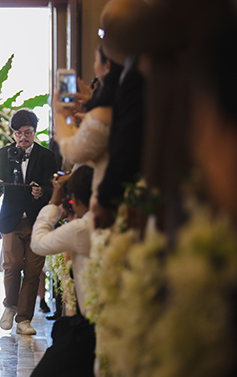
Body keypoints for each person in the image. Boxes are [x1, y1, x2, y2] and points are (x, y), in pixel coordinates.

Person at [0, 108, 57, 335]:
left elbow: (54, 188)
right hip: (11, 220)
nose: (23, 138)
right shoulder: (3, 154)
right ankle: (10, 306)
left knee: (33, 270)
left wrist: (42, 192)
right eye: (18, 133)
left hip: (38, 221)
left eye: (27, 133)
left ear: (35, 131)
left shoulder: (47, 156)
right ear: (13, 133)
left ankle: (24, 319)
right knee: (12, 266)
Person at [28, 166, 96, 377]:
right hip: (99, 319)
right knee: (61, 329)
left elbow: (38, 243)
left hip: (92, 327)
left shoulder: (82, 228)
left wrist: (54, 202)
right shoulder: (110, 219)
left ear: (74, 198)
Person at [91, 0, 146, 229]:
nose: (102, 40)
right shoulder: (132, 68)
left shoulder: (137, 74)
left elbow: (128, 143)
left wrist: (105, 199)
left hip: (133, 192)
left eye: (104, 32)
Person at [53, 46, 123, 207]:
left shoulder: (102, 114)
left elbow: (72, 151)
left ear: (107, 65)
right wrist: (92, 102)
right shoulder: (122, 103)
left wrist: (59, 113)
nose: (94, 65)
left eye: (96, 59)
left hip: (107, 197)